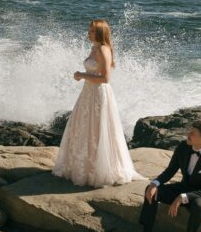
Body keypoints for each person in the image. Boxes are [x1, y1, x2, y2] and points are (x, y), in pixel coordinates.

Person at [51, 19, 140, 188]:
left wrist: (82, 75)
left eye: (92, 31)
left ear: (100, 32)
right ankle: (84, 167)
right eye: (89, 29)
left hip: (99, 95)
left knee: (97, 128)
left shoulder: (104, 50)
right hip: (88, 93)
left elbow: (106, 78)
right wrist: (83, 76)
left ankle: (98, 170)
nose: (88, 33)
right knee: (85, 127)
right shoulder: (95, 48)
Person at [124, 119, 201, 232]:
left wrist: (182, 197)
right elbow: (170, 171)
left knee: (198, 205)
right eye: (189, 131)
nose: (188, 134)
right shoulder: (182, 147)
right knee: (152, 190)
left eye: (192, 133)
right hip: (185, 187)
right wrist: (155, 184)